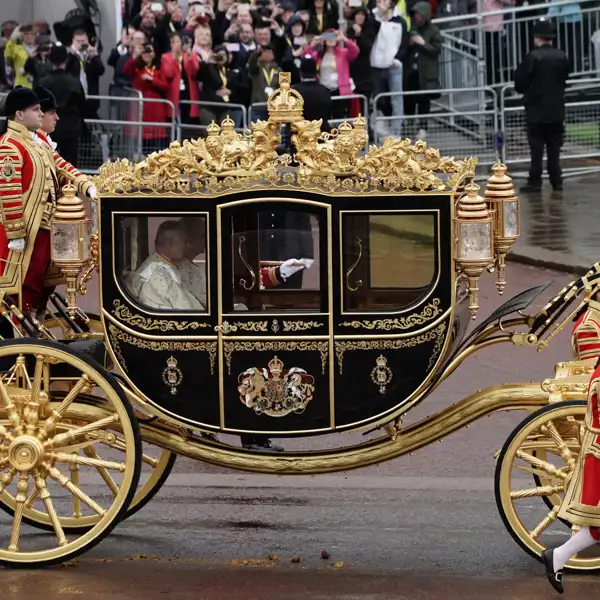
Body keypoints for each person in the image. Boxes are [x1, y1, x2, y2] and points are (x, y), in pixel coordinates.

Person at [32, 86, 96, 318]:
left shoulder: (42, 142)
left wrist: (87, 184)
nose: (56, 117)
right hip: (35, 223)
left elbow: (62, 166)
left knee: (45, 280)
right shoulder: (31, 143)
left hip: (48, 221)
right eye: (51, 113)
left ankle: (36, 317)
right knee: (33, 280)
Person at [0, 87, 52, 317]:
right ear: (19, 114)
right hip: (23, 232)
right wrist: (16, 233)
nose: (41, 113)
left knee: (36, 282)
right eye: (36, 109)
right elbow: (9, 192)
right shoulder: (10, 145)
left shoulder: (33, 142)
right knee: (21, 285)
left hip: (40, 225)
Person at [514, 19, 569, 194]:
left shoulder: (532, 56)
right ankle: (556, 180)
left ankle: (535, 181)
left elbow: (520, 83)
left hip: (536, 109)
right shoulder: (562, 55)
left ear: (537, 37)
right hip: (557, 108)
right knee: (554, 148)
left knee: (536, 149)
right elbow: (565, 77)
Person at [129, 221, 207, 311]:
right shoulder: (156, 273)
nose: (187, 246)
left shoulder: (168, 265)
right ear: (170, 244)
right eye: (184, 242)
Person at [40, 44, 87, 168]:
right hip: (70, 127)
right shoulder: (74, 82)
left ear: (50, 59)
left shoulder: (44, 82)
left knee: (47, 161)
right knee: (69, 164)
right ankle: (69, 186)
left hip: (47, 127)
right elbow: (83, 105)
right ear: (66, 60)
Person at [370, 0, 409, 139]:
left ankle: (396, 132)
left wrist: (397, 59)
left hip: (394, 66)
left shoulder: (401, 22)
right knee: (379, 99)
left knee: (396, 99)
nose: (380, 2)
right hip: (377, 66)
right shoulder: (374, 19)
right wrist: (378, 16)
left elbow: (404, 43)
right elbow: (371, 34)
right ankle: (380, 130)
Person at [404, 2, 442, 141]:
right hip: (412, 70)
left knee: (424, 101)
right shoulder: (412, 29)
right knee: (409, 98)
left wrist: (422, 43)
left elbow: (436, 50)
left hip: (426, 72)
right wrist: (410, 44)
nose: (417, 17)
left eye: (420, 15)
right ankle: (409, 125)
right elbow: (404, 49)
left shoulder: (434, 31)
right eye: (415, 15)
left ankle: (423, 127)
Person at [123, 44, 170, 155]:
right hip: (140, 111)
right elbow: (126, 71)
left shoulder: (159, 69)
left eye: (150, 51)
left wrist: (152, 80)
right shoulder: (136, 68)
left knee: (156, 149)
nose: (148, 54)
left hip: (155, 112)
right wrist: (135, 55)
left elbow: (165, 86)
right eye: (145, 51)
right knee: (139, 144)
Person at [304, 30, 359, 121]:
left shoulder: (343, 53)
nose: (331, 39)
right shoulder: (319, 54)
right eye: (328, 37)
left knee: (340, 118)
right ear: (324, 40)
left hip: (340, 90)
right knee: (325, 118)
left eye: (333, 36)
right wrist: (312, 44)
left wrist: (344, 39)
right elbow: (306, 57)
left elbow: (355, 50)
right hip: (324, 90)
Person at [161, 32, 201, 139]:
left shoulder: (191, 55)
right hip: (174, 96)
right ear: (171, 43)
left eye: (180, 42)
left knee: (189, 128)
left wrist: (188, 53)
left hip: (189, 95)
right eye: (177, 42)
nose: (179, 44)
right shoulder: (166, 57)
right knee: (174, 125)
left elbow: (194, 72)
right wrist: (175, 58)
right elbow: (168, 73)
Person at [293, 55, 332, 131]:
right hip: (321, 135)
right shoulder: (325, 91)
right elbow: (328, 113)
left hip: (300, 135)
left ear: (300, 73)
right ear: (316, 73)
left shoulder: (294, 92)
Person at [248, 44, 280, 122]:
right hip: (258, 105)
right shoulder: (256, 68)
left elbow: (282, 87)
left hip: (273, 107)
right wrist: (257, 53)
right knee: (258, 132)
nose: (267, 54)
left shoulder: (278, 70)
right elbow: (251, 63)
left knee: (273, 132)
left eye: (269, 52)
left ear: (273, 55)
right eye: (265, 52)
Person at [4, 24, 37, 89]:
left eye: (32, 34)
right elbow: (7, 54)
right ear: (21, 36)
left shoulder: (39, 49)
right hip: (22, 85)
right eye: (26, 34)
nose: (29, 36)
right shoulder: (17, 48)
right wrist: (12, 39)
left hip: (36, 84)